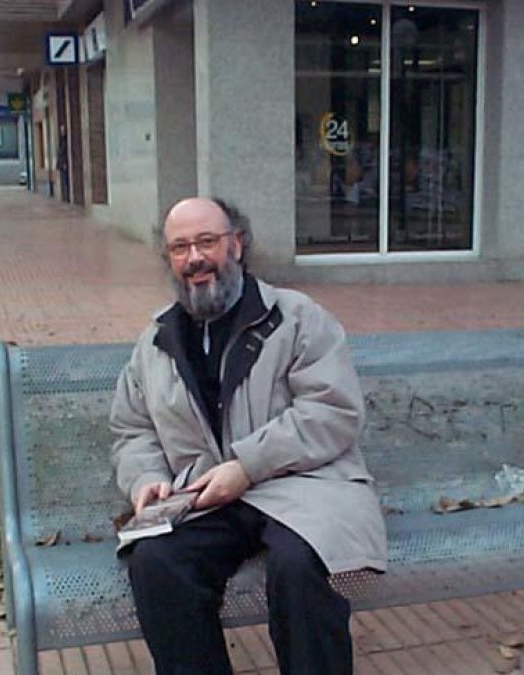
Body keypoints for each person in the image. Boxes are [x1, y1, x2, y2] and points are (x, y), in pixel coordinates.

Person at [110, 197, 387, 675]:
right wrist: (146, 479)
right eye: (180, 248)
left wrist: (247, 466)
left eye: (207, 242)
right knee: (157, 562)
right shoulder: (155, 341)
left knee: (300, 565)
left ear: (237, 244)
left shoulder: (298, 317)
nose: (194, 258)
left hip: (302, 486)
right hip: (203, 497)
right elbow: (132, 428)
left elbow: (332, 410)